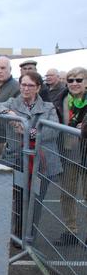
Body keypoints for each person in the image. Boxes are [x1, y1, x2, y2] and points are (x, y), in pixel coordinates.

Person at [0, 72, 61, 244]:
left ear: (38, 88)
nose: (26, 89)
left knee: (36, 201)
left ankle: (29, 237)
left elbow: (53, 131)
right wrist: (8, 112)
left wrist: (29, 131)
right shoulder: (13, 102)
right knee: (19, 198)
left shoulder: (48, 107)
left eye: (31, 86)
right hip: (17, 158)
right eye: (23, 85)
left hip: (42, 162)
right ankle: (18, 234)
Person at [53, 67, 87, 245]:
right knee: (67, 194)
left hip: (85, 154)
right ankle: (70, 231)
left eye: (79, 80)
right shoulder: (61, 99)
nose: (74, 83)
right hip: (67, 154)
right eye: (71, 80)